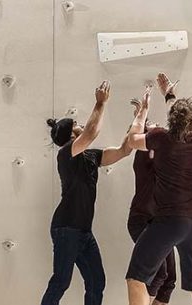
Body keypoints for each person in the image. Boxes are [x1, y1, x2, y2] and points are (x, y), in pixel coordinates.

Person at [123, 77, 192, 305]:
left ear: (170, 120)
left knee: (136, 278)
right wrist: (169, 94)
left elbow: (132, 140)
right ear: (190, 120)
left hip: (169, 221)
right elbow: (179, 116)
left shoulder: (160, 139)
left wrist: (142, 113)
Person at [41, 80, 138, 305]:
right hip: (66, 228)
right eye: (76, 124)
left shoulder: (90, 155)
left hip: (83, 231)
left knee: (97, 281)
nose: (81, 124)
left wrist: (135, 122)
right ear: (70, 135)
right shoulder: (66, 154)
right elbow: (92, 131)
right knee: (61, 281)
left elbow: (124, 150)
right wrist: (100, 103)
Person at [126, 87, 177, 305]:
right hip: (142, 221)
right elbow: (137, 138)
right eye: (153, 127)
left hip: (162, 223)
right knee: (159, 273)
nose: (158, 128)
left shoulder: (166, 157)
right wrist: (142, 114)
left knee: (169, 279)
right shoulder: (143, 158)